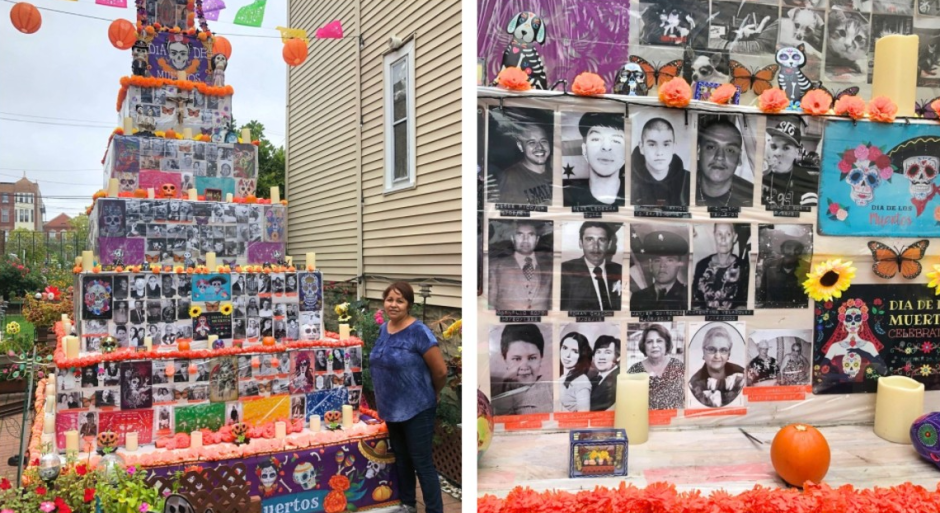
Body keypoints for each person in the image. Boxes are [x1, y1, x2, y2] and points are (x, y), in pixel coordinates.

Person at [369, 282, 447, 513]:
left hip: (417, 408)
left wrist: (433, 392)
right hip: (392, 408)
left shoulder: (418, 332)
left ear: (409, 305)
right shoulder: (385, 329)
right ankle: (408, 505)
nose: (393, 305)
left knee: (421, 463)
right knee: (402, 459)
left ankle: (434, 510)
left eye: (399, 300)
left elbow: (441, 371)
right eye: (390, 299)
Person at [564, 112, 626, 207]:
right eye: (596, 139)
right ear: (584, 150)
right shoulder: (567, 197)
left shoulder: (638, 195)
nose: (606, 147)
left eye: (616, 141)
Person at [488, 221, 552, 311]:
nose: (525, 239)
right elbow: (490, 304)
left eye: (530, 235)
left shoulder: (550, 267)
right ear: (513, 238)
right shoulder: (495, 266)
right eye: (520, 234)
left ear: (537, 240)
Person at [492, 323, 554, 415]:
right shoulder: (496, 391)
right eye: (517, 359)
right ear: (505, 358)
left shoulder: (552, 392)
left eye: (532, 358)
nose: (524, 367)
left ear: (541, 357)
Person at [561, 222, 622, 311]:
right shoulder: (564, 271)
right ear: (580, 243)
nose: (596, 247)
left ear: (609, 244)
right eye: (590, 239)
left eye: (602, 240)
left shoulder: (621, 270)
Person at [631, 117, 689, 207]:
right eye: (652, 144)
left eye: (666, 145)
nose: (659, 152)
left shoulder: (687, 180)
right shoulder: (629, 179)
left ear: (674, 147)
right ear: (641, 148)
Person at [696, 117, 753, 208]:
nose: (719, 157)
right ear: (698, 151)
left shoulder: (753, 198)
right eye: (711, 147)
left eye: (730, 150)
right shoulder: (682, 188)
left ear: (739, 158)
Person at [762, 118, 818, 208]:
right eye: (774, 146)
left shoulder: (806, 182)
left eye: (786, 148)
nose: (777, 153)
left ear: (797, 152)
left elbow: (807, 216)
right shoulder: (761, 175)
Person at [627, 324, 685, 410]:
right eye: (649, 341)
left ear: (666, 343)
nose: (654, 345)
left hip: (674, 421)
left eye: (659, 341)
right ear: (644, 345)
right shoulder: (635, 370)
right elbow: (629, 402)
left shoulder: (678, 366)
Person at [692, 223, 749, 310]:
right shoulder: (701, 266)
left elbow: (745, 305)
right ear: (714, 236)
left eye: (728, 234)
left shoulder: (744, 267)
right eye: (719, 234)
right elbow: (696, 304)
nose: (723, 239)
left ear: (734, 237)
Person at [495, 121, 552, 205]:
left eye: (543, 141)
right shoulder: (510, 177)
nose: (539, 147)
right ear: (520, 146)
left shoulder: (556, 171)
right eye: (531, 142)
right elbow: (501, 214)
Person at [630, 230, 689, 312]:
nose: (662, 265)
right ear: (651, 265)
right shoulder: (637, 297)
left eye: (670, 260)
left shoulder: (688, 295)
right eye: (657, 260)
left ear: (679, 264)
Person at [688, 325, 745, 407]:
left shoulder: (741, 373)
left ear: (729, 354)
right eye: (711, 349)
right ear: (703, 352)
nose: (717, 356)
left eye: (723, 350)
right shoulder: (694, 384)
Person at [758, 239, 807, 307]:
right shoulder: (770, 266)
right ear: (782, 250)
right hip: (772, 309)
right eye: (789, 248)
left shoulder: (807, 268)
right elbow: (763, 289)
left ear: (800, 252)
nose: (792, 252)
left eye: (796, 249)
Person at [558, 332, 594, 412]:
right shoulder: (560, 375)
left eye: (575, 351)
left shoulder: (582, 381)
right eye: (564, 348)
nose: (567, 355)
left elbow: (583, 418)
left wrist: (556, 406)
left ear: (581, 355)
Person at [588, 335, 620, 411]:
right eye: (598, 352)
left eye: (607, 352)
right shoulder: (594, 378)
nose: (601, 357)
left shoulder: (618, 380)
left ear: (618, 357)